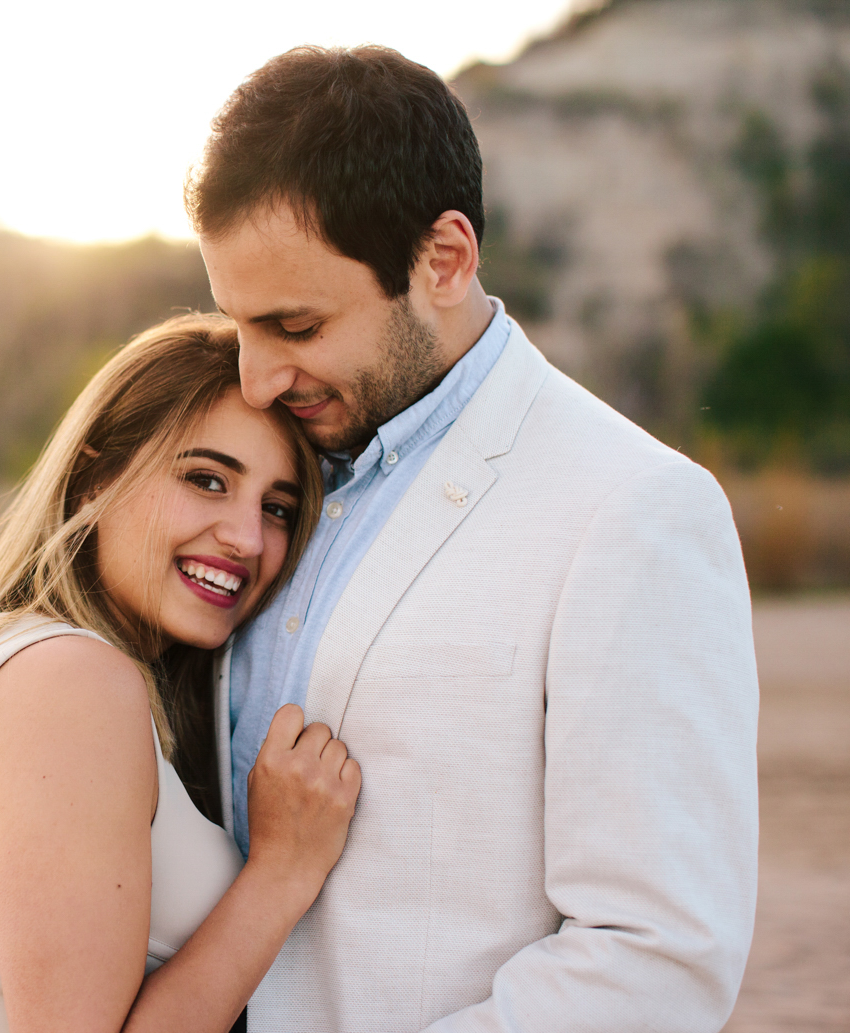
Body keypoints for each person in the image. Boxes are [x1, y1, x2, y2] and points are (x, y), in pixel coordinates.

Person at [187, 45, 759, 1031]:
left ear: (443, 260)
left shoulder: (633, 510)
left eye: (295, 324)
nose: (255, 378)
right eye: (239, 324)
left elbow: (656, 963)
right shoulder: (257, 488)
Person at [0, 314, 363, 1033]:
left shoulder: (23, 664)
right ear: (97, 476)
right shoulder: (71, 681)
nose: (247, 537)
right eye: (208, 479)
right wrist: (282, 873)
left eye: (277, 508)